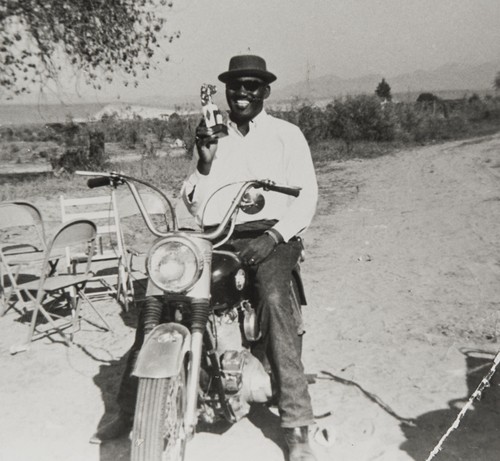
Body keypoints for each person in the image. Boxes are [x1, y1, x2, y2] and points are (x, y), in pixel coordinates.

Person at [91, 54, 319, 461]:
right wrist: (205, 158)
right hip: (217, 234)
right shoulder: (214, 134)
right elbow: (195, 202)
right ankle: (129, 410)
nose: (243, 93)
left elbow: (307, 199)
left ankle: (298, 423)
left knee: (274, 300)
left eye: (252, 85)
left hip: (272, 235)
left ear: (265, 91)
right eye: (236, 86)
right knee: (160, 298)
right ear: (226, 91)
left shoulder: (288, 135)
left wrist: (273, 236)